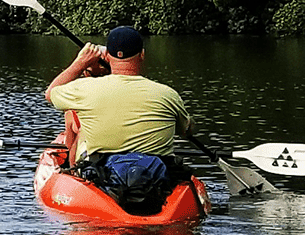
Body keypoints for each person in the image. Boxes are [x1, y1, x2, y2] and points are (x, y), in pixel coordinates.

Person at [44, 25, 194, 166]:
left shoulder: (84, 89)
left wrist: (80, 63)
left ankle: (71, 172)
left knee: (80, 130)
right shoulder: (168, 94)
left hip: (104, 174)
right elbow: (186, 130)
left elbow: (51, 93)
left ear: (107, 56)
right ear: (142, 55)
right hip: (156, 177)